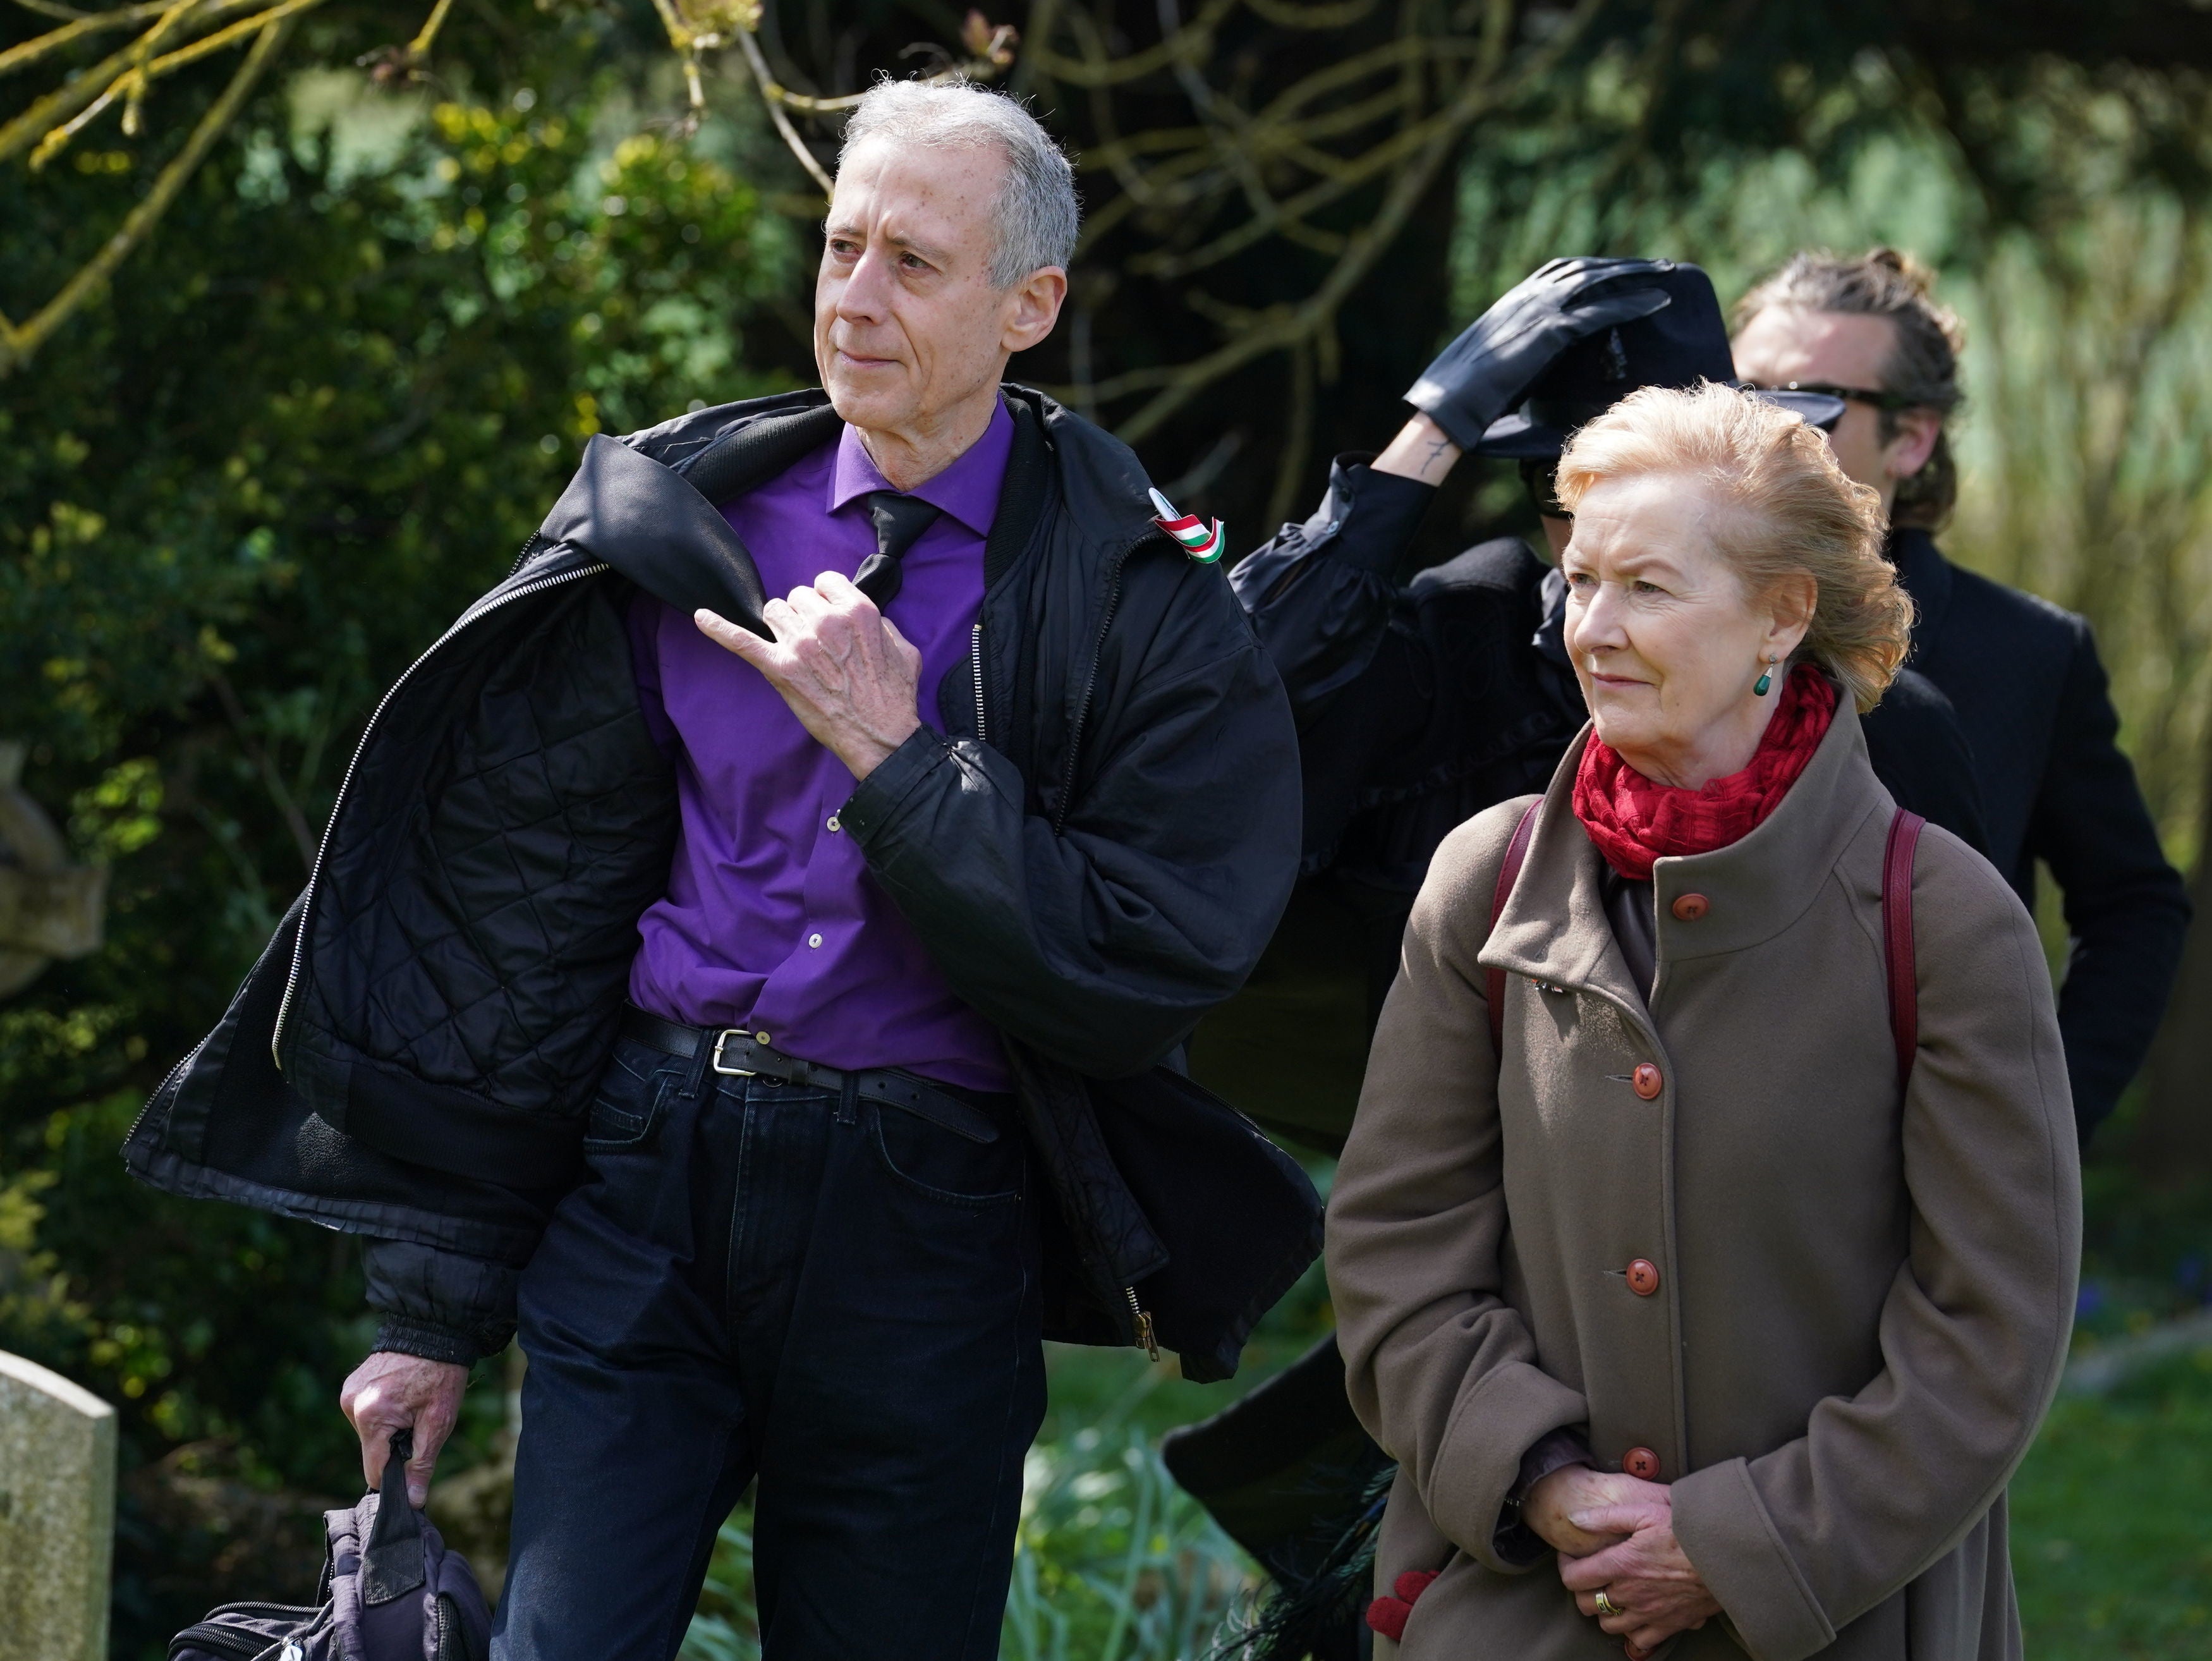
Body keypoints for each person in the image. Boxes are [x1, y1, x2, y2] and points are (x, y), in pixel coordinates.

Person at [125, 80, 1315, 1661]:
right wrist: (427, 1316)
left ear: (1031, 306)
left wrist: (899, 759)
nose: (855, 296)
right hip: (642, 1174)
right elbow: (522, 924)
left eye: (913, 261)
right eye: (841, 246)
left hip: (927, 1216)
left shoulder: (1141, 600)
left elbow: (1138, 964)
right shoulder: (678, 519)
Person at [1162, 260, 1988, 1631]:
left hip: (1801, 1423)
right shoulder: (1457, 639)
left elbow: (1962, 1215)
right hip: (1481, 1358)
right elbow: (1202, 739)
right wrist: (1424, 433)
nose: (1596, 593)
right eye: (1575, 510)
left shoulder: (1891, 742)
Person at [1327, 381, 2081, 1660]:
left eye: (1650, 589)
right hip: (1521, 1607)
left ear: (1780, 616)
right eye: (1580, 580)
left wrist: (1738, 1545)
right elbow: (1397, 1251)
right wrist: (1547, 1483)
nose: (1592, 629)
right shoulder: (1485, 882)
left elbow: (1986, 1336)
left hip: (1844, 1619)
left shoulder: (1944, 919)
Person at [1732, 247, 2189, 1145]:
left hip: (1917, 1176)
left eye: (1813, 402)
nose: (1765, 429)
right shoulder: (1648, 617)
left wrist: (2039, 1125)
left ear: (1913, 438)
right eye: (1744, 392)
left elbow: (2135, 908)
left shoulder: (2032, 652)